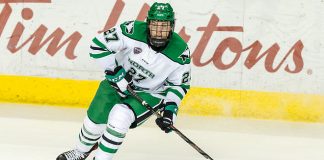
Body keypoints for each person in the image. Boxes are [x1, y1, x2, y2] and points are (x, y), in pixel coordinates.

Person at [56, 2, 191, 160]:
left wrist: (170, 110)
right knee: (94, 120)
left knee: (120, 116)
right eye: (155, 26)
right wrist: (114, 72)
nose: (159, 32)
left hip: (150, 93)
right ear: (148, 24)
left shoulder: (181, 51)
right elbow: (98, 45)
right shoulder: (131, 30)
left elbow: (179, 85)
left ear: (172, 27)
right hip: (115, 84)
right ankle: (80, 151)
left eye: (164, 26)